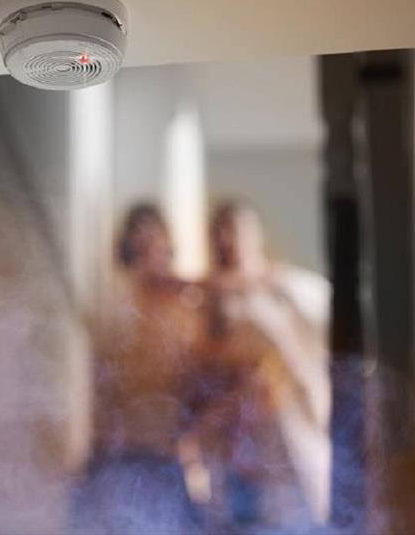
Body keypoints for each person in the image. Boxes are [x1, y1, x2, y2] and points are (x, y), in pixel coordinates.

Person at [188, 200, 332, 532]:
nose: (228, 240)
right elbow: (201, 365)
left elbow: (315, 337)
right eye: (219, 232)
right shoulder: (209, 301)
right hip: (234, 433)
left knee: (294, 514)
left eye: (235, 230)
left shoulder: (288, 289)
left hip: (284, 424)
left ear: (255, 234)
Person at [69, 203, 205, 535]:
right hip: (113, 457)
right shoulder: (111, 302)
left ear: (167, 246)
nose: (148, 255)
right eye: (139, 245)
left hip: (163, 456)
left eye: (154, 243)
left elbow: (196, 383)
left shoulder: (185, 310)